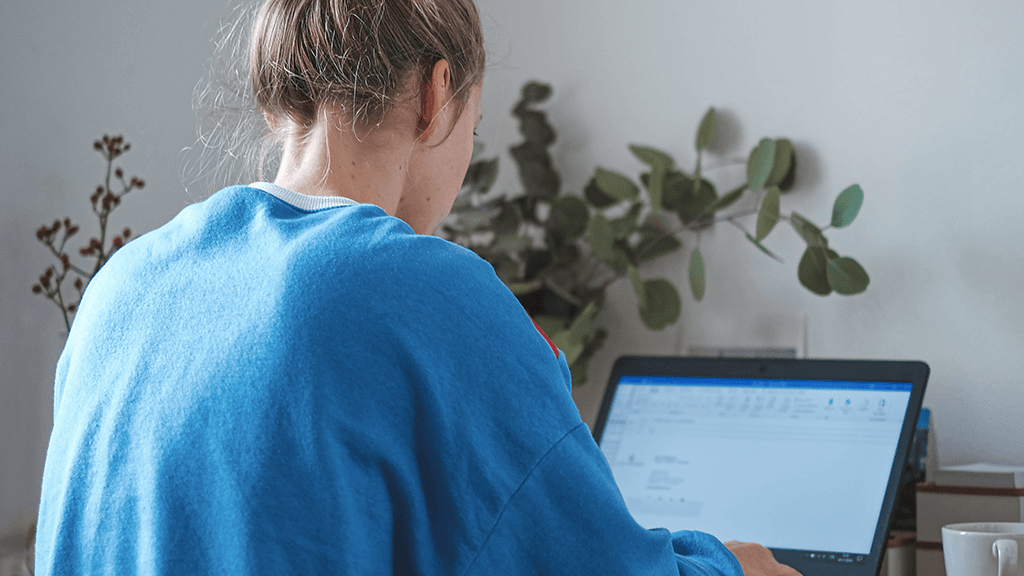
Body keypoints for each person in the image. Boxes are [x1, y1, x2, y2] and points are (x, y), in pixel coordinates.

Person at [35, 0, 801, 574]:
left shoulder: (120, 288)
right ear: (437, 97)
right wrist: (734, 566)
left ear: (279, 103)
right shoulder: (424, 292)